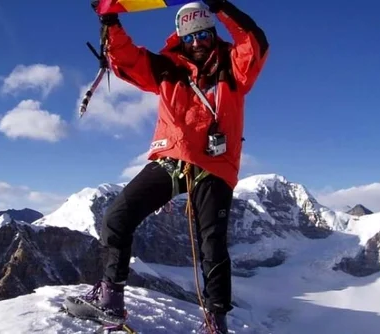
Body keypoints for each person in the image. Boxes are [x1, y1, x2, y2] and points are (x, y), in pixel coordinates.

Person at [64, 1, 269, 333]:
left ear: (213, 32)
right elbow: (126, 59)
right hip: (171, 157)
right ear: (182, 38)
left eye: (204, 34)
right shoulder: (165, 67)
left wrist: (223, 7)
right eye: (191, 36)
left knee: (212, 245)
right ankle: (110, 299)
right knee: (118, 217)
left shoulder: (233, 66)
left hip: (215, 164)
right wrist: (110, 21)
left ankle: (216, 324)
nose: (198, 42)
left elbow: (255, 42)